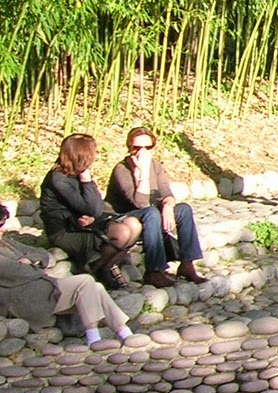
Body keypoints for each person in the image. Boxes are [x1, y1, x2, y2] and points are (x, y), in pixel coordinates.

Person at [0, 204, 134, 346]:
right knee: (85, 281)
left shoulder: (5, 242)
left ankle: (123, 332)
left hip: (42, 289)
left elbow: (43, 254)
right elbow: (14, 272)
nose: (3, 228)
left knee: (97, 287)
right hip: (23, 299)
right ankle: (93, 337)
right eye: (1, 224)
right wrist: (35, 267)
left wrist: (30, 260)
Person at [106, 126, 208, 287]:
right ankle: (154, 271)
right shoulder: (122, 169)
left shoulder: (155, 165)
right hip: (126, 218)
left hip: (150, 212)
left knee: (183, 209)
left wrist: (168, 206)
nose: (141, 152)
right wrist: (142, 174)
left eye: (147, 148)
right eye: (136, 148)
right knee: (152, 213)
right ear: (129, 148)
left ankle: (187, 264)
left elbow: (167, 192)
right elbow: (140, 203)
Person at [38, 134, 141, 291]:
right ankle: (97, 267)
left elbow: (95, 206)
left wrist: (91, 213)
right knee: (122, 232)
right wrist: (88, 182)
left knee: (134, 225)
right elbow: (93, 208)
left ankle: (107, 264)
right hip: (64, 231)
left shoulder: (77, 172)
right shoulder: (59, 180)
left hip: (83, 223)